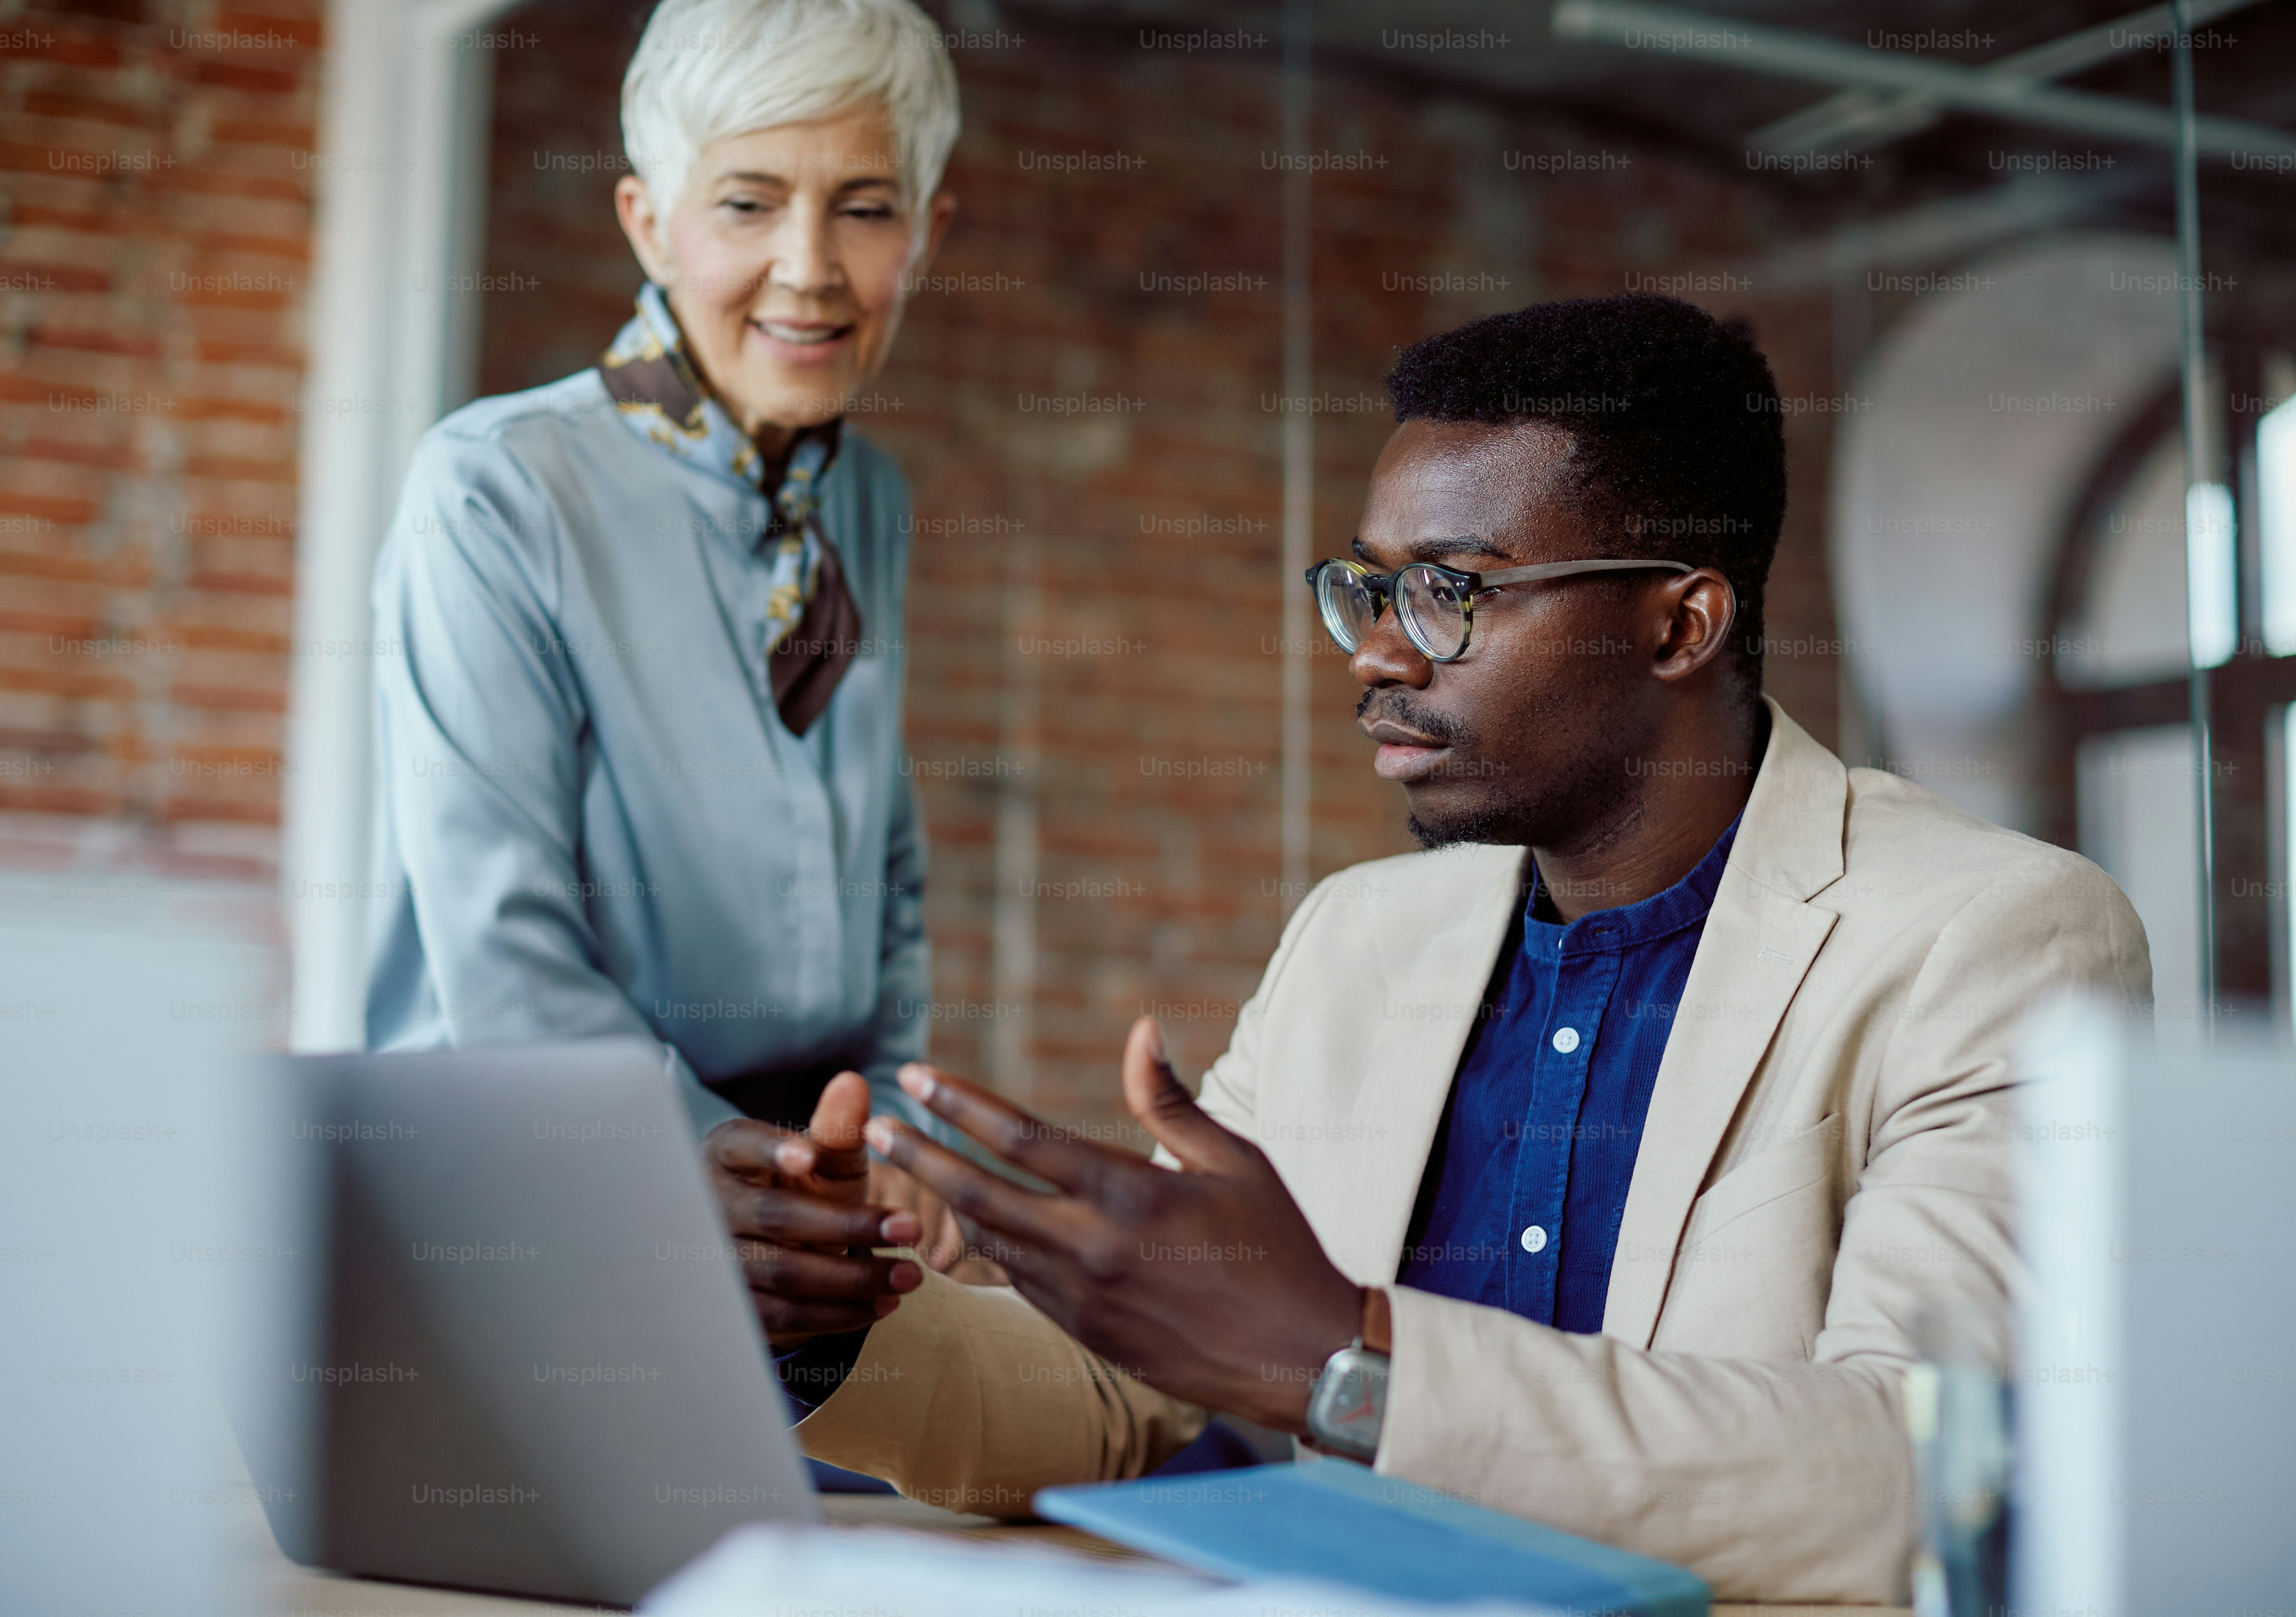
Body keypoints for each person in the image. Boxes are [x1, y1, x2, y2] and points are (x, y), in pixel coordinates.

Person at [714, 294, 2152, 1601]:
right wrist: (833, 1325)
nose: (1379, 654)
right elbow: (1114, 1398)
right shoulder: (1361, 939)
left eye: (1450, 593)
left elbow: (1917, 1483)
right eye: (1368, 586)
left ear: (1680, 624)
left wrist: (1347, 1365)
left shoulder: (1995, 937)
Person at [364, 0, 982, 1311]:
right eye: (748, 205)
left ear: (927, 235)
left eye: (865, 210)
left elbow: (888, 878)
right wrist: (729, 1161)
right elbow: (504, 955)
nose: (810, 268)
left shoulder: (861, 499)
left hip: (786, 1212)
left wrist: (886, 1137)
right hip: (527, 1196)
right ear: (650, 222)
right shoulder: (498, 488)